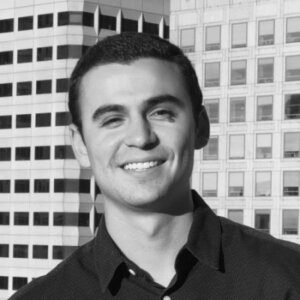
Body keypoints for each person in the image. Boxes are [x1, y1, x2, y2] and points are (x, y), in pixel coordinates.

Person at [10, 32, 300, 300]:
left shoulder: (290, 279)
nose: (140, 137)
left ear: (200, 127)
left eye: (161, 112)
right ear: (80, 145)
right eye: (112, 119)